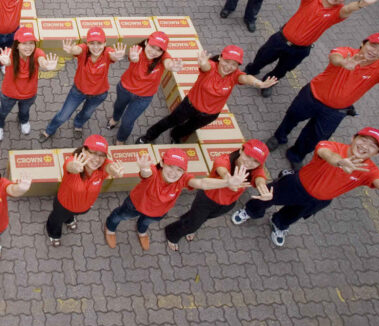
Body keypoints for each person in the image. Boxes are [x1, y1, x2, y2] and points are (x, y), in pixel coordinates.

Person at [233, 128, 379, 247]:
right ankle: (250, 210)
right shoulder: (332, 146)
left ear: (377, 153)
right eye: (363, 140)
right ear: (354, 137)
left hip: (320, 200)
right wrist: (339, 162)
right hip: (297, 185)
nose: (365, 146)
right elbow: (324, 152)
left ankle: (279, 223)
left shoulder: (370, 170)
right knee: (267, 197)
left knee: (293, 215)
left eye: (372, 146)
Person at [268, 33, 379, 167]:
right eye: (373, 45)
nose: (375, 51)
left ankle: (296, 155)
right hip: (312, 96)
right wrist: (343, 62)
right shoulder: (347, 52)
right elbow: (335, 57)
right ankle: (278, 137)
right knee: (292, 117)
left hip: (336, 111)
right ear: (363, 43)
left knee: (315, 137)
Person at [245, 0, 379, 97]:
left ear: (344, 0)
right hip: (280, 39)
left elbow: (348, 9)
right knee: (262, 57)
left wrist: (362, 4)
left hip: (300, 50)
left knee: (283, 69)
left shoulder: (337, 12)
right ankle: (251, 70)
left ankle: (269, 82)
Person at [103, 148, 245, 250]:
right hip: (134, 205)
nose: (174, 173)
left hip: (158, 212)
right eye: (171, 166)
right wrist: (144, 168)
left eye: (179, 170)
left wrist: (227, 182)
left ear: (184, 171)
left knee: (146, 222)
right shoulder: (153, 172)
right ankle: (110, 228)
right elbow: (146, 173)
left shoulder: (183, 178)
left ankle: (142, 231)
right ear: (163, 163)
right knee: (119, 216)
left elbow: (202, 183)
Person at [136, 46, 277, 144]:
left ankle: (175, 135)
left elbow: (246, 79)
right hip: (189, 106)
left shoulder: (235, 76)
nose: (229, 67)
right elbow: (205, 67)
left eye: (234, 64)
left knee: (189, 128)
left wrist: (258, 83)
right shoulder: (210, 67)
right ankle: (149, 136)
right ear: (220, 58)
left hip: (210, 114)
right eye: (227, 61)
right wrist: (203, 63)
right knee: (169, 121)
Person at [163, 139, 272, 251]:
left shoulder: (255, 168)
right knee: (194, 223)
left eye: (255, 161)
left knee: (201, 219)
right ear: (240, 150)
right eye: (248, 156)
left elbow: (259, 178)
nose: (249, 163)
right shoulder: (224, 160)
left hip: (228, 203)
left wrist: (263, 188)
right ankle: (172, 234)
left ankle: (189, 223)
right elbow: (222, 170)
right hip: (207, 199)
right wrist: (229, 180)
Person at [40, 27, 127, 141]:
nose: (96, 47)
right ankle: (49, 130)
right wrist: (71, 49)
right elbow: (77, 50)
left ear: (105, 43)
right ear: (87, 44)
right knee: (63, 115)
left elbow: (113, 55)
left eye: (99, 43)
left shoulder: (107, 53)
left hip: (98, 95)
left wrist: (118, 55)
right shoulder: (84, 50)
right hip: (78, 91)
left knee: (86, 114)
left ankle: (78, 125)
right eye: (92, 43)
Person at [45, 135, 124, 246]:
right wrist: (74, 167)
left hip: (84, 207)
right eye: (93, 153)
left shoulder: (101, 167)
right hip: (64, 205)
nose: (97, 159)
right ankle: (54, 234)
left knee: (70, 216)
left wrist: (114, 170)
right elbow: (69, 165)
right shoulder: (75, 162)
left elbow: (109, 166)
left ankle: (69, 220)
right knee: (56, 220)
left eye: (102, 155)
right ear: (83, 150)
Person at [107, 31, 182, 145]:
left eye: (159, 50)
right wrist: (134, 58)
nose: (154, 52)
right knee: (118, 106)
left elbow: (168, 63)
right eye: (152, 47)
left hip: (143, 98)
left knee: (127, 122)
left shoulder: (164, 57)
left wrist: (172, 66)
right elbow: (134, 58)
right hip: (125, 89)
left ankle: (120, 140)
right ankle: (115, 119)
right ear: (147, 42)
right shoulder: (137, 49)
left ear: (163, 51)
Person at [0, 28, 60, 140]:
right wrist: (5, 62)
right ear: (17, 45)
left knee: (25, 111)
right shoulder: (9, 52)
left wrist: (46, 65)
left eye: (31, 43)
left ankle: (23, 121)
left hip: (29, 94)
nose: (28, 47)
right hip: (9, 94)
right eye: (24, 43)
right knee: (3, 111)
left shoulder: (37, 53)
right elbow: (8, 61)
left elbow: (42, 61)